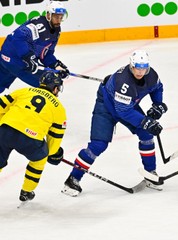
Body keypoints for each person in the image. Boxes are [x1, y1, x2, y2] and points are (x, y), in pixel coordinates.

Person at [61, 50, 168, 197]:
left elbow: (157, 87)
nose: (140, 72)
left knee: (146, 134)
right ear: (131, 66)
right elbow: (123, 111)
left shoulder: (152, 75)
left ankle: (150, 173)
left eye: (143, 68)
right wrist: (146, 121)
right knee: (98, 145)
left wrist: (158, 105)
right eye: (137, 67)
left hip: (127, 104)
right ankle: (73, 179)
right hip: (106, 106)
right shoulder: (123, 81)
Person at [0, 71, 67, 202]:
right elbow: (54, 139)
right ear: (55, 88)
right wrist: (52, 153)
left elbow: (1, 106)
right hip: (30, 140)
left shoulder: (24, 91)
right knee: (39, 160)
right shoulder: (59, 109)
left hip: (5, 130)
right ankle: (26, 191)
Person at [0, 1, 69, 94]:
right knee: (49, 84)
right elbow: (17, 37)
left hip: (15, 59)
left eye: (61, 17)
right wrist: (27, 57)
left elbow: (46, 53)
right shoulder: (39, 25)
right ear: (48, 15)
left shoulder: (55, 31)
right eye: (56, 17)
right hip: (14, 59)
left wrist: (55, 65)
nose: (59, 20)